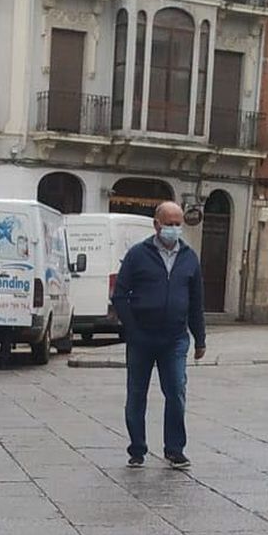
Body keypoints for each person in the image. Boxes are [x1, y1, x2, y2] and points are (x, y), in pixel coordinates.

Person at [110, 201, 207, 471]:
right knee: (137, 393)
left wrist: (200, 338)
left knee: (176, 390)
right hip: (142, 337)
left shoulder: (189, 257)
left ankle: (175, 450)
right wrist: (132, 327)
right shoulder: (138, 255)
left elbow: (196, 300)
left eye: (178, 224)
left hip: (175, 338)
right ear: (157, 224)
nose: (174, 229)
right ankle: (137, 449)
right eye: (170, 224)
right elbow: (120, 294)